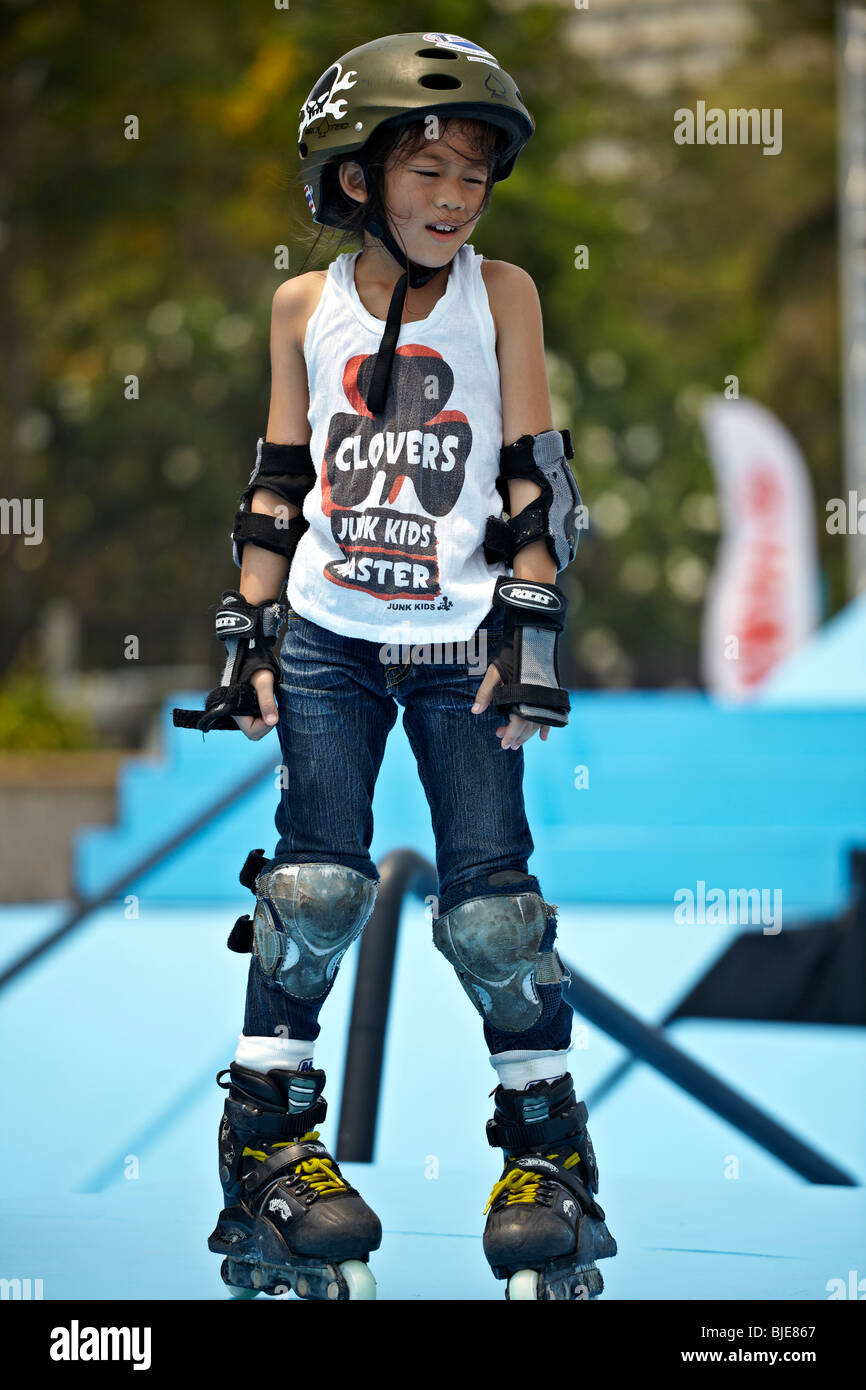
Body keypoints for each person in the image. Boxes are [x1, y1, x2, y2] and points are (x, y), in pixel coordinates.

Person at [176, 31, 616, 1302]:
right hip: (327, 642)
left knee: (491, 910)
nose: (453, 199)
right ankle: (267, 1153)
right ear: (355, 176)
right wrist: (248, 635)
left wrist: (529, 634)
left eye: (474, 177)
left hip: (458, 643)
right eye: (427, 168)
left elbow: (535, 475)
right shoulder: (301, 307)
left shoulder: (506, 292)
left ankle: (548, 1161)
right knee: (311, 887)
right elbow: (276, 486)